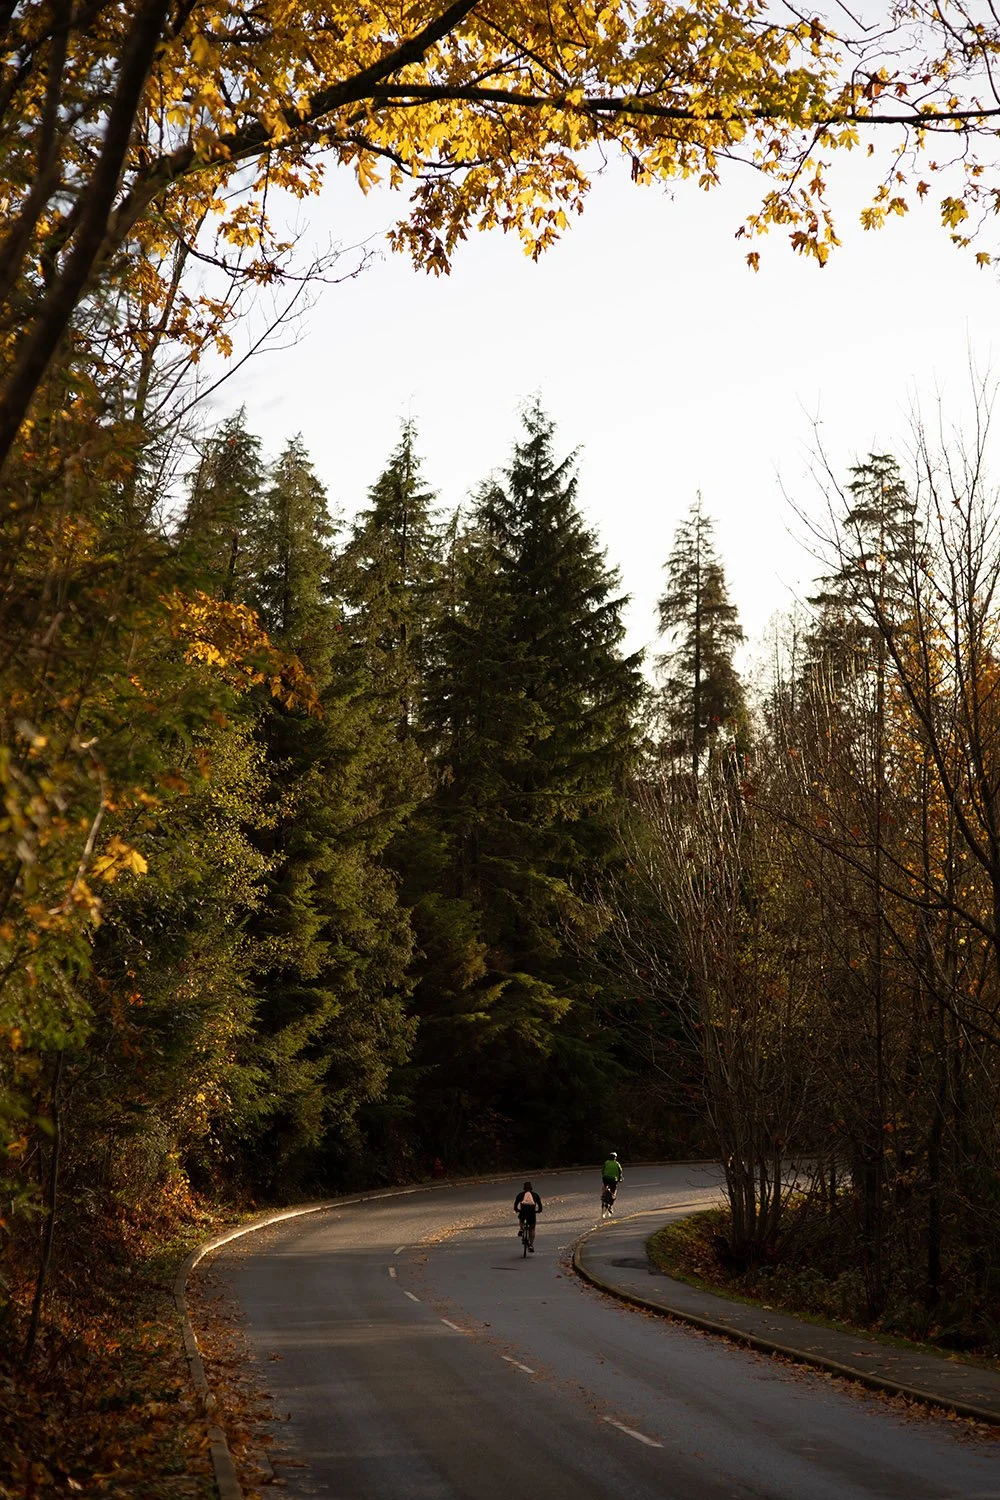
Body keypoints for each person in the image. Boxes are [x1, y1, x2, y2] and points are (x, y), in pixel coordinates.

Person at [514, 1180, 543, 1251]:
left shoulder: (520, 1195)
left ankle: (521, 1228)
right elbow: (540, 1206)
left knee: (521, 1219)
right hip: (531, 1213)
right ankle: (531, 1245)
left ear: (523, 1188)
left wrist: (517, 1210)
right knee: (532, 1228)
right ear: (531, 1188)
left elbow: (515, 1205)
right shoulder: (535, 1195)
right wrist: (538, 1211)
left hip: (523, 1212)